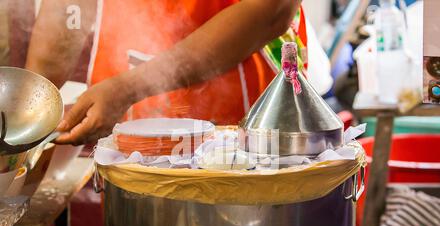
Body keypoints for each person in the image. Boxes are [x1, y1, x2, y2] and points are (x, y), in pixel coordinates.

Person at [26, 0, 302, 145]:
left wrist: (128, 88)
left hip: (244, 128)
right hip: (126, 125)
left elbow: (271, 11)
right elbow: (67, 7)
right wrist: (28, 113)